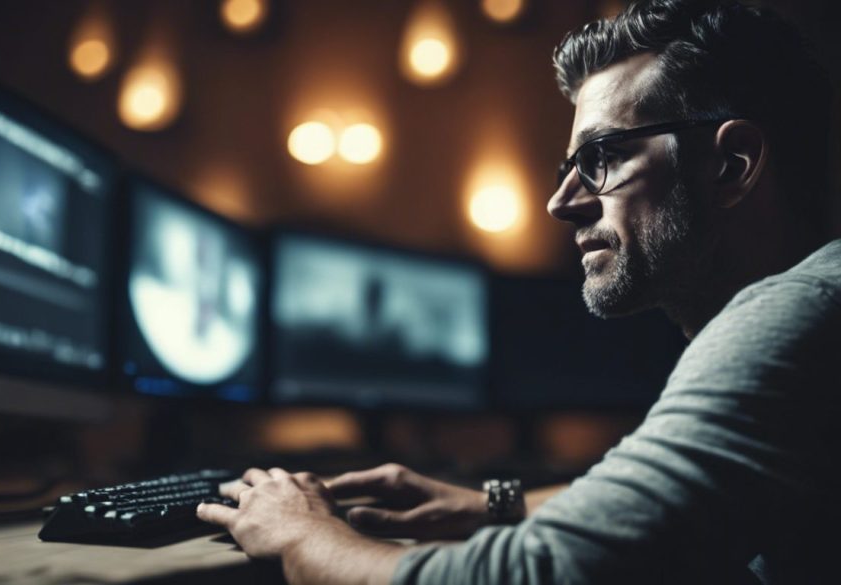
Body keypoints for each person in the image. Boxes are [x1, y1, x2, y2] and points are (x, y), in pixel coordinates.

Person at [197, 0, 839, 583]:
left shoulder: (795, 316)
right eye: (569, 168)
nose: (561, 203)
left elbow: (536, 574)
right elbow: (667, 506)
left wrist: (300, 533)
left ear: (731, 164)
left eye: (601, 158)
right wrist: (492, 503)